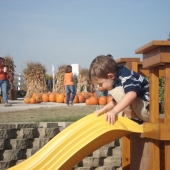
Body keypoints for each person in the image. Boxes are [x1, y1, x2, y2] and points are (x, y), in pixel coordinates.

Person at [89, 55, 150, 125]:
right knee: (118, 101)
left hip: (148, 109)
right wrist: (104, 109)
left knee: (118, 93)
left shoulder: (126, 76)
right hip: (141, 108)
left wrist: (114, 111)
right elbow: (116, 101)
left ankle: (136, 121)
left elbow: (131, 94)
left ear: (111, 76)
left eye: (100, 84)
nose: (100, 87)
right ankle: (134, 120)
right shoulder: (117, 79)